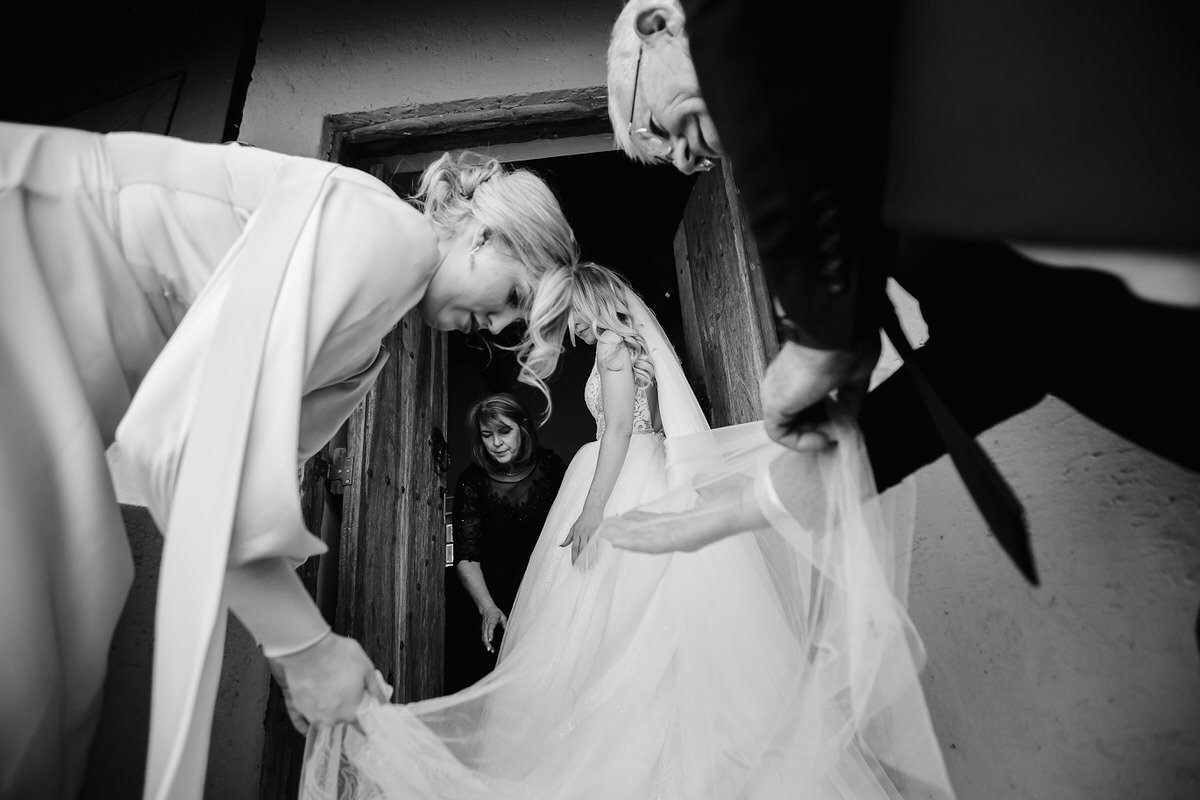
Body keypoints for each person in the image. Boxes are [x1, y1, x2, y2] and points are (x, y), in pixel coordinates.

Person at [0, 120, 578, 800]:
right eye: (514, 297)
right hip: (35, 253)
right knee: (45, 647)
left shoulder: (372, 338)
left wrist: (294, 651)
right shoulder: (386, 238)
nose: (504, 327)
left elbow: (237, 465)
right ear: (484, 235)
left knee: (67, 616)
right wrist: (305, 647)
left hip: (59, 346)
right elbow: (194, 450)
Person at [299, 262, 953, 800]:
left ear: (592, 302)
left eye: (573, 314)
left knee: (617, 628)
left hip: (625, 473)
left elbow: (616, 431)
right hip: (644, 470)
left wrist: (592, 510)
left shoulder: (613, 346)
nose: (571, 328)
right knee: (636, 628)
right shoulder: (627, 346)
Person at [602, 0, 1200, 568]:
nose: (687, 162)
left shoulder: (872, 52)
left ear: (664, 25)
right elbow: (994, 357)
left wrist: (821, 333)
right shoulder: (854, 198)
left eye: (661, 129)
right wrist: (766, 497)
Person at [449, 392, 566, 688]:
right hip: (494, 596)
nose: (496, 443)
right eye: (487, 435)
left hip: (546, 590)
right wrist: (487, 608)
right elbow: (466, 557)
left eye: (504, 431)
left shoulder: (550, 467)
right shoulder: (472, 481)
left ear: (523, 428)